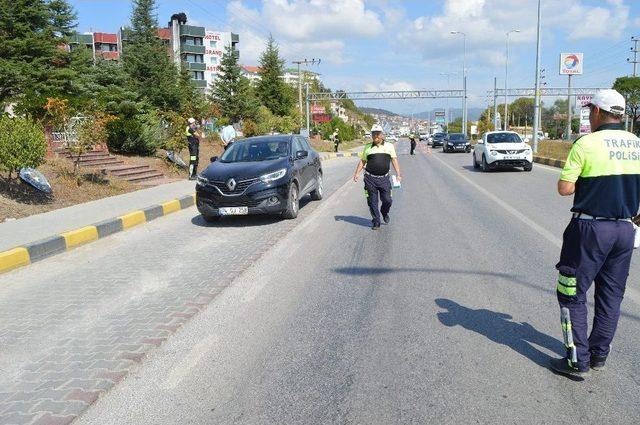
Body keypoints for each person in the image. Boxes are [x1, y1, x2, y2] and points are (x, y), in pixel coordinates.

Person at [550, 89, 640, 379]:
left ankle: (578, 360)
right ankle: (599, 354)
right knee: (611, 295)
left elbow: (565, 188)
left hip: (590, 229)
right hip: (625, 229)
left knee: (572, 292)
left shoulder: (586, 143)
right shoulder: (637, 144)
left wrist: (591, 184)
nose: (590, 114)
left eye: (591, 111)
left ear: (598, 113)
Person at [353, 124, 402, 230]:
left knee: (387, 200)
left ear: (382, 134)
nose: (376, 136)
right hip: (370, 179)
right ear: (371, 135)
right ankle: (376, 221)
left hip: (384, 179)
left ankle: (384, 212)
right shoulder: (367, 147)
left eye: (378, 133)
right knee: (372, 201)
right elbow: (362, 161)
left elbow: (394, 160)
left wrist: (398, 174)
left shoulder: (389, 146)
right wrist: (356, 173)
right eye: (374, 134)